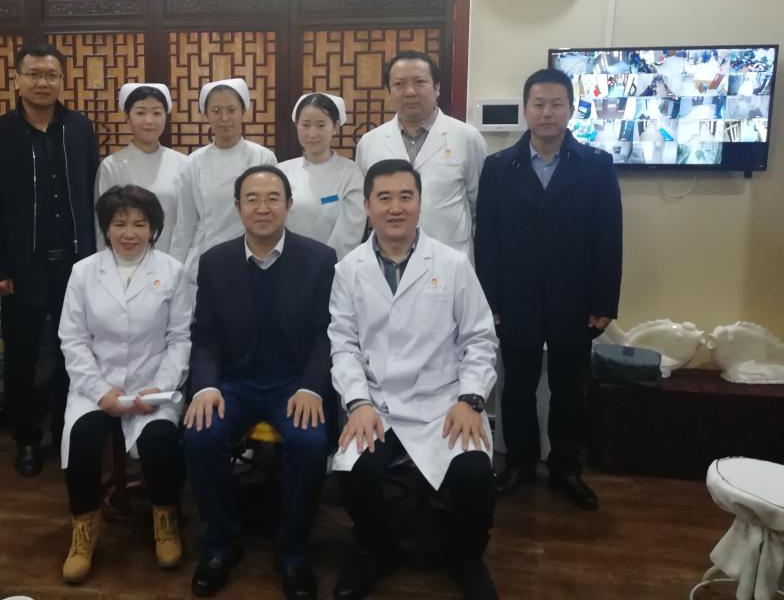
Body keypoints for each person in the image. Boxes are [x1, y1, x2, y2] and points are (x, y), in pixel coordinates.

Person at [330, 158, 500, 600]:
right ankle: (373, 549)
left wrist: (471, 400)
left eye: (406, 197)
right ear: (367, 206)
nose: (395, 208)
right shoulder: (349, 269)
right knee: (356, 471)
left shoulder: (452, 263)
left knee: (475, 475)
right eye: (384, 198)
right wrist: (357, 403)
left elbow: (480, 338)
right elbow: (343, 345)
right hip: (378, 404)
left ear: (420, 204)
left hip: (444, 402)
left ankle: (467, 557)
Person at [182, 166, 336, 600]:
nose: (262, 208)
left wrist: (312, 386)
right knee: (199, 434)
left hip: (294, 383)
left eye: (272, 198)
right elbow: (205, 335)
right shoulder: (215, 261)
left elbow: (328, 333)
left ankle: (293, 553)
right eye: (252, 199)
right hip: (234, 382)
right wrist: (206, 385)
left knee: (309, 443)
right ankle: (221, 544)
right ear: (238, 207)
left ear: (289, 205)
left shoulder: (320, 259)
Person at [475, 68, 623, 511]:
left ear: (571, 109)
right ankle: (519, 464)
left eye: (557, 104)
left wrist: (605, 301)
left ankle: (565, 468)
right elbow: (488, 239)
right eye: (538, 104)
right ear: (526, 109)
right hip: (515, 297)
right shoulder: (499, 167)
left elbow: (609, 236)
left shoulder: (595, 164)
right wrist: (490, 301)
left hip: (574, 298)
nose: (547, 112)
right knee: (517, 388)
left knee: (569, 389)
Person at [0, 42, 99, 476]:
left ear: (62, 81)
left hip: (75, 265)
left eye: (51, 75)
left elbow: (91, 193)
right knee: (22, 357)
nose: (43, 83)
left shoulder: (79, 129)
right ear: (17, 79)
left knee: (72, 353)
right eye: (34, 74)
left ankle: (66, 430)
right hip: (22, 266)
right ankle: (26, 438)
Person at [57, 185, 192, 584]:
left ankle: (165, 519)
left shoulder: (173, 271)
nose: (129, 233)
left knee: (160, 442)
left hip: (153, 384)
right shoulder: (84, 272)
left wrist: (160, 386)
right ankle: (83, 530)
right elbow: (73, 339)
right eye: (119, 224)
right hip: (96, 385)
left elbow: (180, 338)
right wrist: (100, 391)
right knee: (83, 440)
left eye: (139, 223)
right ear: (106, 228)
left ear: (154, 228)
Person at [355, 51, 488, 260]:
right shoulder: (369, 143)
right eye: (399, 84)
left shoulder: (467, 137)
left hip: (450, 259)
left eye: (419, 82)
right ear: (388, 92)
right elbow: (366, 205)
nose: (410, 92)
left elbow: (479, 206)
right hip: (389, 258)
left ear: (436, 88)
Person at [169, 78, 277, 281]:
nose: (224, 117)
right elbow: (185, 222)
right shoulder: (194, 162)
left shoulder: (263, 158)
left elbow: (273, 216)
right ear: (206, 115)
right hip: (205, 254)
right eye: (216, 111)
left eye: (231, 110)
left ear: (243, 111)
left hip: (253, 256)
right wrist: (173, 270)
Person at [95, 82, 188, 254]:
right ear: (127, 117)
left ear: (166, 117)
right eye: (140, 113)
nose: (149, 120)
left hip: (174, 258)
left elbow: (187, 221)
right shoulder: (112, 165)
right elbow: (103, 223)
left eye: (157, 113)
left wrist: (179, 261)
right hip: (125, 258)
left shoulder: (183, 163)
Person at [277, 92, 365, 260]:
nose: (312, 133)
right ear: (297, 126)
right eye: (305, 125)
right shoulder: (281, 172)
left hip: (335, 265)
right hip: (287, 261)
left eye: (321, 125)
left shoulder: (350, 173)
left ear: (335, 127)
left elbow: (350, 232)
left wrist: (325, 264)